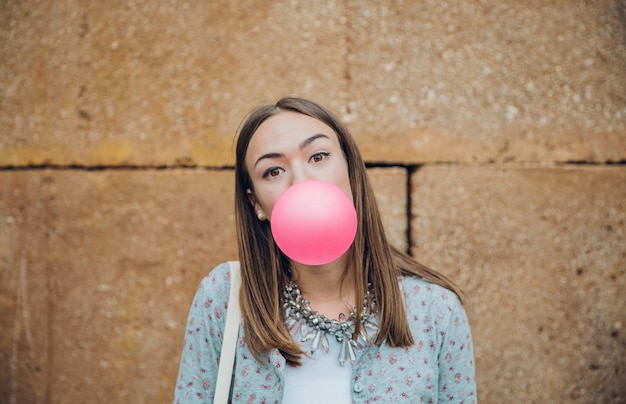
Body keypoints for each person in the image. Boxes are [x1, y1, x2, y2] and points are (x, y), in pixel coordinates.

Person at [174, 97, 477, 403]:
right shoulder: (224, 298)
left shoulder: (436, 310)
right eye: (273, 171)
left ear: (350, 170)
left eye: (318, 156)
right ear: (256, 204)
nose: (301, 180)